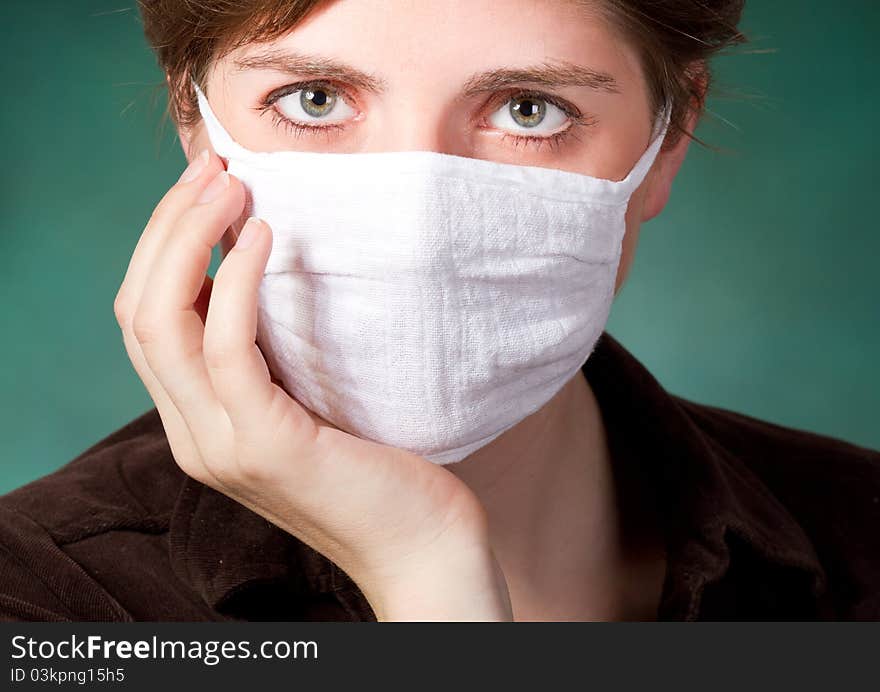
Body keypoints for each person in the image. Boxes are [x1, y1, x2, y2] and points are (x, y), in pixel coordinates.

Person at [1, 0, 878, 622]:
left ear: (666, 142)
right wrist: (421, 561)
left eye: (528, 110)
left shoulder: (860, 530)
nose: (418, 220)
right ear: (193, 123)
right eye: (315, 99)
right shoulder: (43, 601)